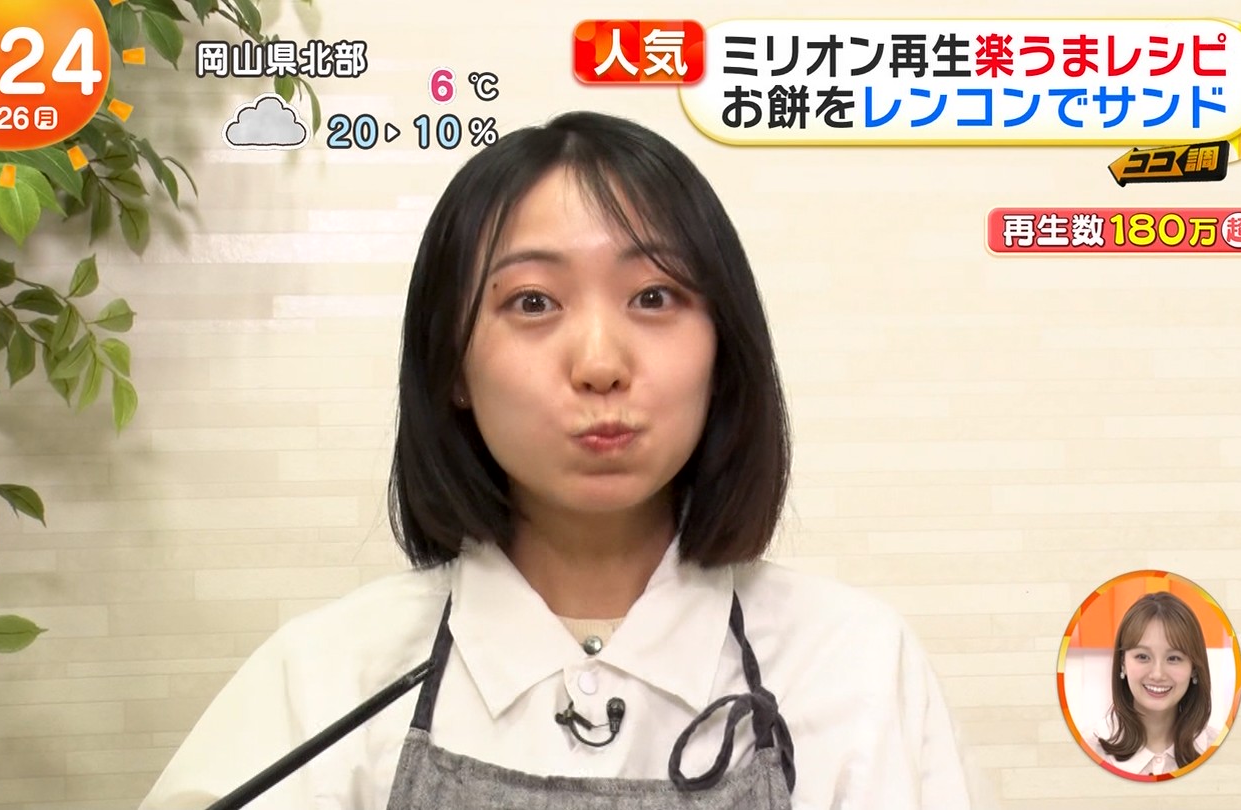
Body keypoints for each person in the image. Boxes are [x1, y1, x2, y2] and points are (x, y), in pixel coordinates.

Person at [139, 111, 980, 809]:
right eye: (533, 302)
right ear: (452, 366)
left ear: (723, 349)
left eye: (654, 296)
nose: (600, 363)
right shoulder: (325, 681)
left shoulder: (851, 669)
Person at [1086, 592, 1222, 777]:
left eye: (1173, 658)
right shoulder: (1087, 749)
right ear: (1123, 663)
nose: (1157, 674)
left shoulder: (1219, 751)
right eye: (1142, 656)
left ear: (1194, 669)